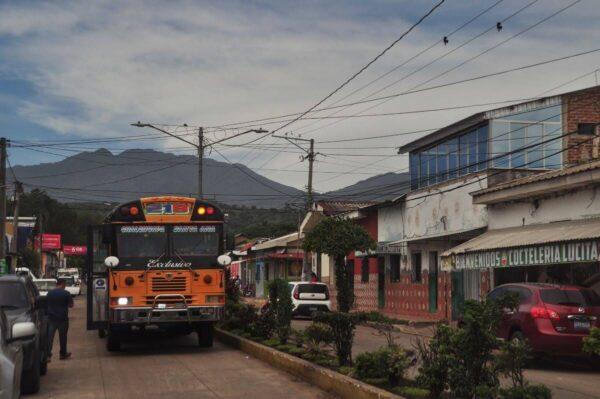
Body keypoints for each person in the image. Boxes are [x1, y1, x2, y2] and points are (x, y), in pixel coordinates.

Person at [46, 278, 74, 360]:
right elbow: (71, 305)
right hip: (63, 319)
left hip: (51, 319)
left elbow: (46, 303)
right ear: (62, 284)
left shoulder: (49, 293)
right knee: (63, 337)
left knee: (50, 338)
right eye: (65, 285)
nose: (65, 286)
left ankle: (48, 355)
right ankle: (63, 354)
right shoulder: (66, 293)